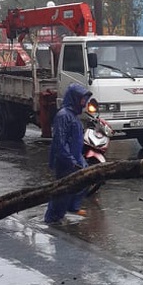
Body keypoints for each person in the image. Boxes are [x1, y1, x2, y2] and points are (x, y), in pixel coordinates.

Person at [44, 82, 91, 225]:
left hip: (74, 159)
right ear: (74, 98)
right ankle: (53, 218)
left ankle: (71, 208)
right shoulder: (64, 116)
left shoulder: (73, 116)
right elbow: (60, 141)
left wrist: (79, 161)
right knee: (62, 192)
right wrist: (70, 160)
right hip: (65, 162)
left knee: (82, 183)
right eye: (82, 99)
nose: (84, 102)